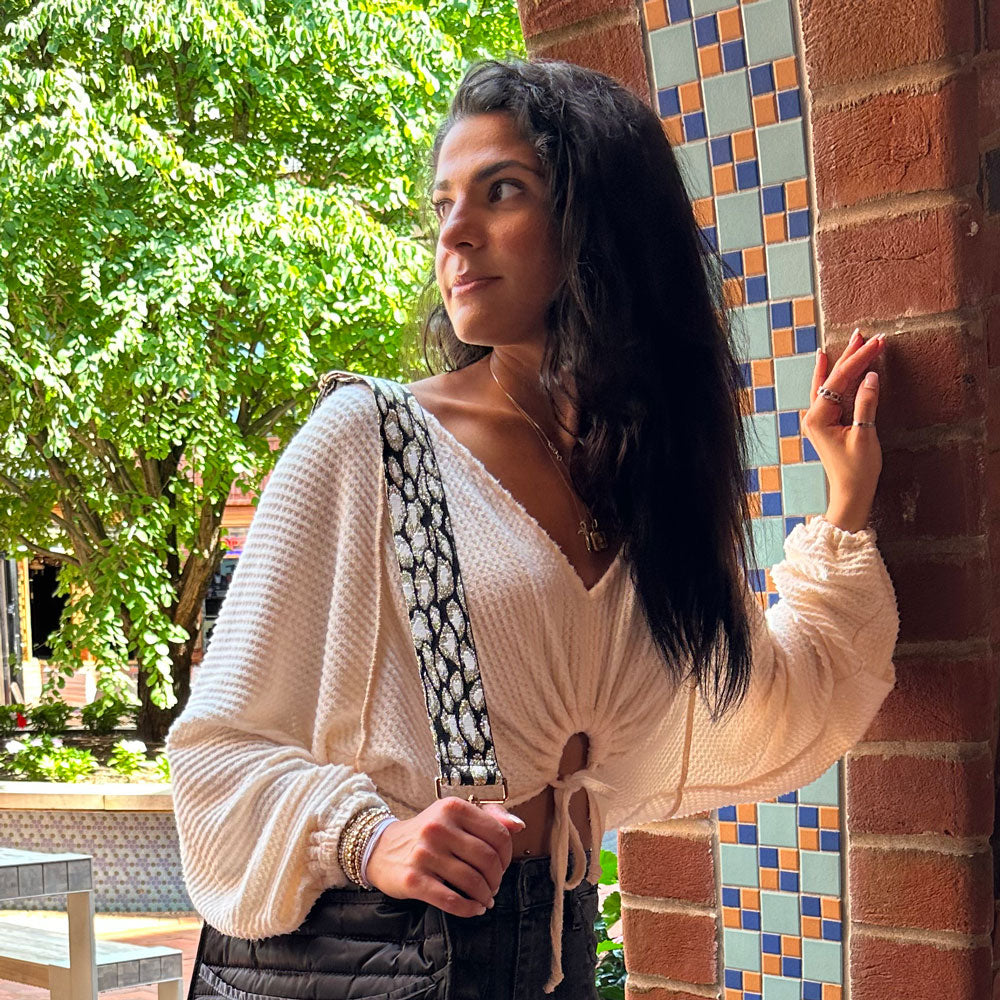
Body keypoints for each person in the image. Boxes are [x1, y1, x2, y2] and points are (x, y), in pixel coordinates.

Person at [166, 58, 898, 999]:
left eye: (501, 191)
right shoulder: (370, 445)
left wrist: (845, 508)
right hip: (383, 960)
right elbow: (214, 756)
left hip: (553, 960)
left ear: (601, 220)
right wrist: (371, 838)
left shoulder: (652, 489)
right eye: (443, 205)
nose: (455, 234)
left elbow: (781, 702)